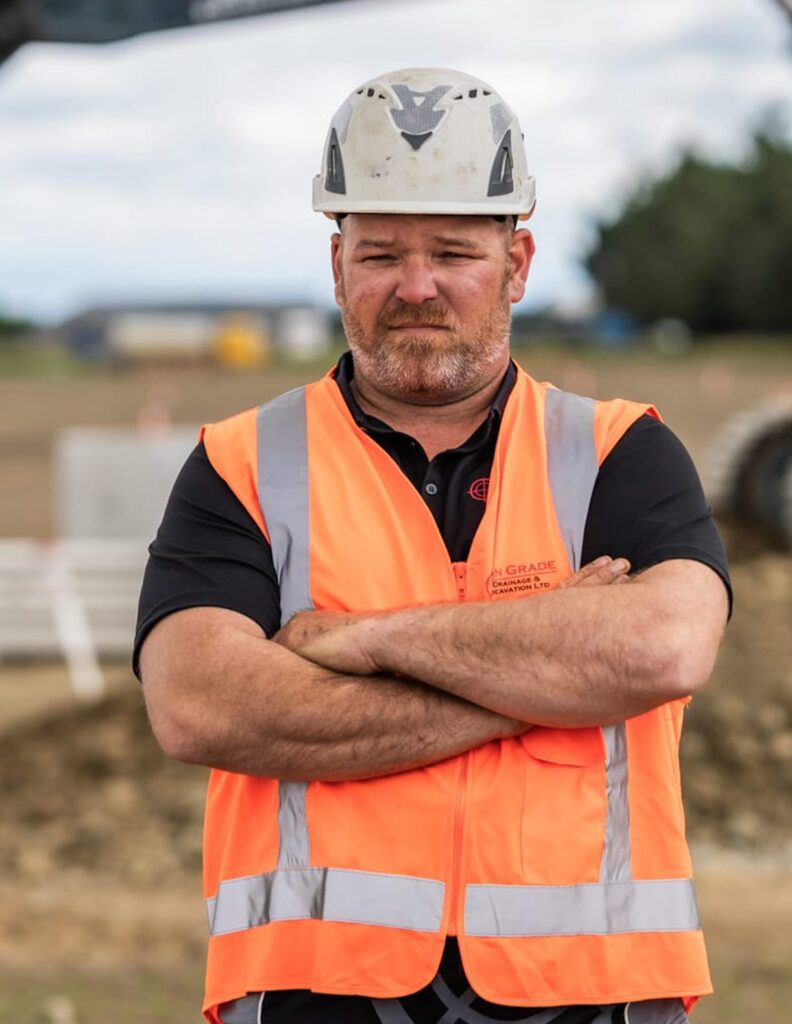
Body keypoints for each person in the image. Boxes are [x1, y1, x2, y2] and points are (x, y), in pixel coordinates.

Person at [135, 68, 731, 1024]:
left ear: (518, 264)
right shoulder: (240, 464)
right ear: (338, 269)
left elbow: (659, 649)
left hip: (588, 998)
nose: (415, 288)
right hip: (312, 995)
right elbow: (200, 705)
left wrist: (361, 642)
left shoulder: (621, 451)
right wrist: (544, 681)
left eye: (453, 251)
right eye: (379, 256)